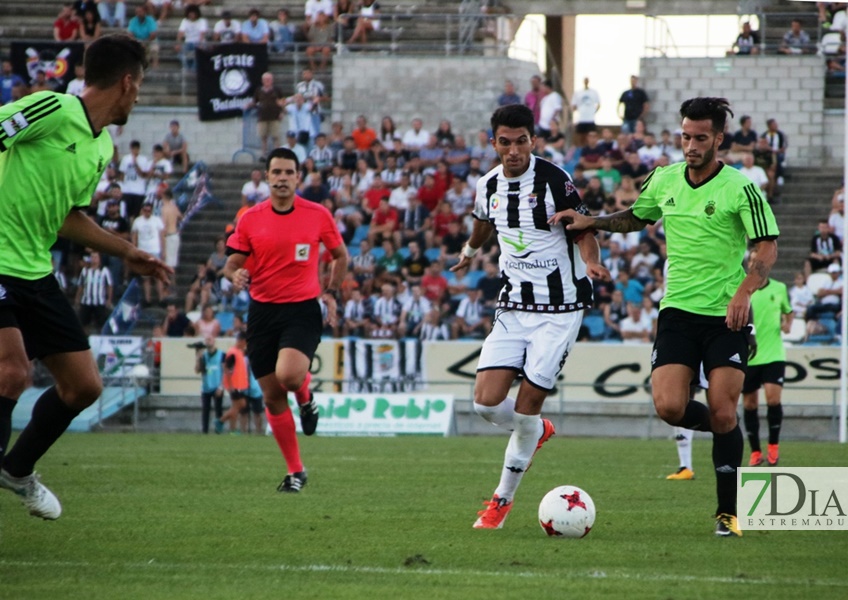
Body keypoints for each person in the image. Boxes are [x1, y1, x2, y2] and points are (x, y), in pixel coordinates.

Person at [553, 97, 779, 537]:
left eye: (699, 138)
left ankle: (727, 513)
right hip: (676, 312)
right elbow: (637, 218)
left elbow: (766, 246)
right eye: (685, 136)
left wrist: (743, 292)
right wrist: (590, 221)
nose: (690, 145)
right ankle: (724, 433)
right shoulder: (665, 179)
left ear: (718, 139)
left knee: (724, 410)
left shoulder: (740, 188)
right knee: (670, 407)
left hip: (724, 317)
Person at [0, 35, 170, 520]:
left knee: (83, 387)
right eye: (139, 87)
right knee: (11, 371)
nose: (138, 97)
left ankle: (16, 470)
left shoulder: (102, 147)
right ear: (127, 82)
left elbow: (67, 219)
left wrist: (128, 250)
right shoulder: (50, 108)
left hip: (33, 268)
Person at [453, 104, 610, 530]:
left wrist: (591, 261)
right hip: (514, 306)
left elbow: (583, 228)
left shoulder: (555, 180)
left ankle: (500, 502)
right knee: (485, 403)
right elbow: (484, 223)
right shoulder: (488, 186)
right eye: (505, 142)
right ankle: (535, 431)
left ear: (533, 141)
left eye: (522, 141)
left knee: (524, 410)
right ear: (494, 144)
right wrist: (469, 251)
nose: (514, 150)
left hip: (559, 311)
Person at [223, 148, 349, 492]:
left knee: (290, 377)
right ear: (266, 177)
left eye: (288, 172)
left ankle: (306, 398)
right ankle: (296, 472)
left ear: (298, 177)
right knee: (271, 397)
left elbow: (340, 256)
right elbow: (232, 262)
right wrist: (233, 274)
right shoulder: (250, 218)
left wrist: (331, 292)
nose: (281, 177)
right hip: (262, 311)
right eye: (275, 172)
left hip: (302, 308)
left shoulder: (317, 214)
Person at [742, 278, 792, 468]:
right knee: (749, 403)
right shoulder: (744, 288)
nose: (756, 264)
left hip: (774, 354)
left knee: (773, 399)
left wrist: (788, 324)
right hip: (750, 355)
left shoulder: (780, 287)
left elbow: (789, 310)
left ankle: (773, 447)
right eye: (752, 261)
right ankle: (755, 452)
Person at [249, 72, 285, 160]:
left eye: (269, 79)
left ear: (272, 80)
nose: (267, 81)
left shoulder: (277, 90)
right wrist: (249, 105)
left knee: (275, 136)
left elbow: (282, 102)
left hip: (275, 116)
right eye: (265, 79)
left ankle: (277, 154)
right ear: (262, 81)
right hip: (262, 117)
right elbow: (255, 101)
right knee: (263, 137)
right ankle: (264, 155)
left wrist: (282, 112)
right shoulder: (258, 90)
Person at [74, 251, 113, 332]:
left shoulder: (104, 271)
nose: (94, 259)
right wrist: (77, 298)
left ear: (99, 259)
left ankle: (100, 340)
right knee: (84, 323)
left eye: (96, 257)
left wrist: (109, 299)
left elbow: (109, 285)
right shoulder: (85, 271)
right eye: (92, 257)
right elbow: (81, 285)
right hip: (86, 301)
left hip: (99, 302)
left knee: (100, 324)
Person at [195, 335, 225, 434]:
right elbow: (197, 370)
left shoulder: (222, 354)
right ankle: (205, 431)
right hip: (206, 387)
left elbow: (225, 372)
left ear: (214, 341)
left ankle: (219, 431)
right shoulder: (203, 356)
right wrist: (198, 357)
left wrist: (221, 387)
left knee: (218, 410)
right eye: (207, 340)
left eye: (210, 339)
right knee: (205, 410)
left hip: (217, 386)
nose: (208, 341)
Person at [571, 77, 600, 147]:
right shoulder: (578, 92)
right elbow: (573, 105)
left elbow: (598, 104)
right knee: (580, 136)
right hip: (581, 118)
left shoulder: (593, 92)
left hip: (590, 118)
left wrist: (593, 112)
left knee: (591, 135)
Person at [127, 4, 159, 69]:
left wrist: (145, 42)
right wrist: (137, 42)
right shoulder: (133, 21)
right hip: (137, 41)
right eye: (137, 12)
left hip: (149, 40)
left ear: (145, 12)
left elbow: (153, 34)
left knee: (154, 48)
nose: (139, 13)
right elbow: (130, 34)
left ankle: (155, 67)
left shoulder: (150, 20)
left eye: (140, 11)